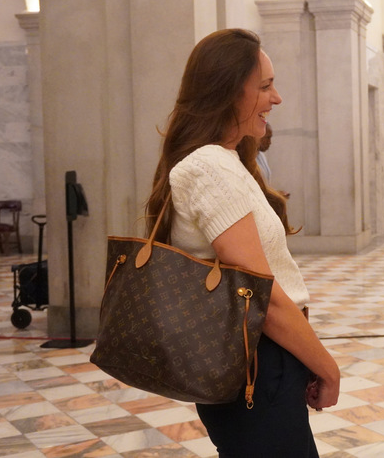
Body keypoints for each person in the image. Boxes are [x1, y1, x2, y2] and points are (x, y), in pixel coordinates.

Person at [144, 28, 339, 457]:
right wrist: (328, 368)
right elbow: (261, 297)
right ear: (229, 92)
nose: (277, 98)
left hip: (264, 360)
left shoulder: (224, 160)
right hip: (254, 363)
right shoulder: (209, 167)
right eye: (266, 86)